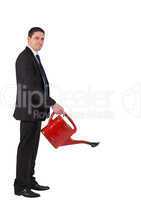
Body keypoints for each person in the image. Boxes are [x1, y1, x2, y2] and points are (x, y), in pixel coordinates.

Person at [13, 27, 64, 198]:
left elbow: (41, 85)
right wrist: (52, 103)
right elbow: (31, 88)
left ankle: (29, 180)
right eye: (36, 38)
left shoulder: (34, 57)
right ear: (28, 39)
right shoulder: (25, 58)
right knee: (26, 148)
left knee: (33, 148)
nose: (40, 41)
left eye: (42, 38)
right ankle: (20, 186)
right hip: (28, 111)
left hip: (36, 111)